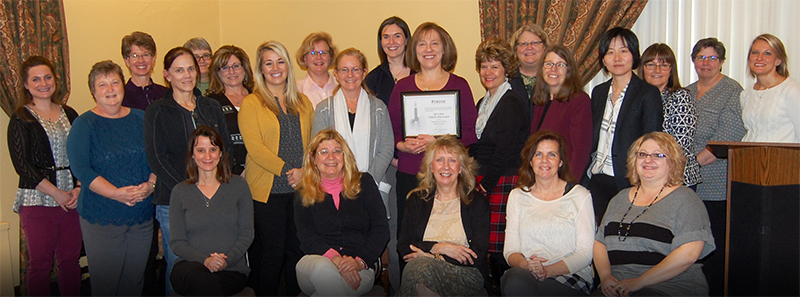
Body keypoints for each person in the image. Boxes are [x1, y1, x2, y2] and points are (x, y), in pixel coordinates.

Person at [144, 46, 232, 296]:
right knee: (180, 266)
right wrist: (189, 192)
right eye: (179, 70)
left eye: (191, 69)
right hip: (174, 202)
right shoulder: (157, 111)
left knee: (211, 265)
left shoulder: (211, 107)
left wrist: (215, 189)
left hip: (214, 198)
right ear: (167, 75)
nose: (186, 75)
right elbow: (156, 159)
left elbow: (225, 149)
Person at [67, 60, 156, 296]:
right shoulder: (84, 124)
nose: (110, 89)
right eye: (102, 84)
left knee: (134, 282)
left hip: (141, 216)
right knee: (107, 286)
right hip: (102, 217)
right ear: (93, 91)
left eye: (115, 82)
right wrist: (116, 193)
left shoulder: (141, 118)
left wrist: (151, 185)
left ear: (123, 86)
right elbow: (81, 169)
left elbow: (156, 157)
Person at [593, 132, 715, 296]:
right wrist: (606, 277)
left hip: (669, 287)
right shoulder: (619, 199)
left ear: (672, 162)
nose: (648, 160)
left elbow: (690, 253)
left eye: (658, 155)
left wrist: (639, 282)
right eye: (642, 154)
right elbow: (599, 243)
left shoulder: (685, 199)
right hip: (619, 287)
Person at [388, 22, 479, 237]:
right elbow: (390, 129)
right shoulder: (402, 86)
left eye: (434, 43)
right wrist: (402, 145)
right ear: (414, 50)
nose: (428, 49)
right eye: (422, 44)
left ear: (445, 49)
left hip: (448, 176)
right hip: (411, 172)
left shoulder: (460, 85)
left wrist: (437, 142)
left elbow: (470, 132)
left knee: (445, 234)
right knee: (409, 234)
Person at [238, 41, 314, 296]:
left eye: (280, 61)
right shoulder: (252, 103)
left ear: (288, 66)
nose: (275, 68)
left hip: (300, 189)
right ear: (260, 69)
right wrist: (286, 170)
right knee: (272, 254)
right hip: (267, 192)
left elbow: (313, 143)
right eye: (268, 63)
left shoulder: (303, 102)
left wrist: (304, 171)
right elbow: (255, 148)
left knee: (296, 251)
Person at [7, 56, 82, 296]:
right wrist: (56, 193)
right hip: (38, 200)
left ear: (55, 80)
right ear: (26, 85)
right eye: (36, 79)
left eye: (47, 77)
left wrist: (78, 188)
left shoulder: (70, 113)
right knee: (40, 264)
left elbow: (82, 154)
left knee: (70, 262)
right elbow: (22, 165)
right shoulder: (21, 118)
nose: (43, 83)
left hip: (72, 199)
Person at [294, 129, 390, 296]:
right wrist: (336, 260)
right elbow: (306, 237)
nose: (331, 157)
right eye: (324, 152)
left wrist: (360, 262)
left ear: (344, 157)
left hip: (360, 267)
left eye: (337, 151)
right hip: (315, 264)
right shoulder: (303, 191)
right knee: (324, 271)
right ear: (313, 159)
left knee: (329, 290)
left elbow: (381, 230)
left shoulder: (364, 183)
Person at [685, 37, 745, 296]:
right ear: (693, 61)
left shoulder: (733, 91)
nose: (706, 63)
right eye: (701, 57)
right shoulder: (685, 91)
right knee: (688, 244)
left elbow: (727, 138)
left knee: (713, 246)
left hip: (715, 183)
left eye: (712, 58)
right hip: (685, 184)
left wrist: (688, 165)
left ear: (721, 61)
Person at [469, 38, 529, 294]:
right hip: (483, 179)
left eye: (495, 66)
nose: (488, 72)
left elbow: (503, 151)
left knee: (501, 247)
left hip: (501, 180)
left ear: (506, 69)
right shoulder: (484, 103)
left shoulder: (511, 102)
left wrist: (485, 184)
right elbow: (475, 144)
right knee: (485, 245)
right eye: (484, 67)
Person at [501, 131, 594, 296]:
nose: (544, 160)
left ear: (560, 162)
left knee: (545, 290)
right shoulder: (517, 196)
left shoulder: (580, 196)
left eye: (552, 154)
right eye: (538, 154)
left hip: (570, 274)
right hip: (528, 272)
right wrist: (525, 264)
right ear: (531, 161)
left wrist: (548, 271)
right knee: (513, 280)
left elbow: (585, 254)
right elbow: (510, 250)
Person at [584, 27, 663, 222]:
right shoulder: (599, 92)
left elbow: (652, 140)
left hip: (628, 179)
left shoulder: (647, 93)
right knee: (600, 234)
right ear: (603, 58)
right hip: (597, 176)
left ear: (634, 55)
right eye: (610, 52)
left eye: (623, 51)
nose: (617, 57)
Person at [396, 136, 489, 296]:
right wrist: (438, 247)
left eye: (452, 160)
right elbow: (404, 246)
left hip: (465, 274)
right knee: (419, 271)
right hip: (422, 270)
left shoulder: (477, 201)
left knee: (418, 269)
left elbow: (477, 254)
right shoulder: (416, 199)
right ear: (431, 167)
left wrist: (431, 257)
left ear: (460, 167)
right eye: (439, 160)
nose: (446, 167)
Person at [169, 126, 254, 296]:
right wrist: (205, 260)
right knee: (202, 280)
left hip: (231, 269)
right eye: (201, 150)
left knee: (208, 284)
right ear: (192, 154)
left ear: (221, 153)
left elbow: (247, 234)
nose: (207, 156)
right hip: (189, 268)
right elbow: (177, 242)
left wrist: (225, 260)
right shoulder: (180, 191)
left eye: (213, 150)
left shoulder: (239, 186)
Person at [312, 48, 394, 208]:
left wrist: (366, 183)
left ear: (364, 73)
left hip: (372, 186)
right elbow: (319, 150)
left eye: (355, 69)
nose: (350, 75)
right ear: (336, 74)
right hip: (333, 188)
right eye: (344, 70)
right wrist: (341, 183)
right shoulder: (324, 109)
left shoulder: (378, 108)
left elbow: (386, 148)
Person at [639, 43, 700, 189]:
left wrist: (652, 161)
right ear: (642, 68)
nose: (657, 70)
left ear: (671, 70)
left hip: (676, 177)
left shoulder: (680, 97)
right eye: (651, 65)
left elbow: (681, 144)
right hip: (645, 175)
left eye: (664, 65)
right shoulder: (637, 98)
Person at [531, 45, 592, 182]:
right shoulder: (540, 100)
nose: (553, 69)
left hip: (564, 180)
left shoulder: (579, 100)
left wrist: (568, 185)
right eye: (549, 64)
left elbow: (581, 151)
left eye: (560, 65)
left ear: (569, 70)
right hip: (542, 179)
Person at [740, 33, 800, 143]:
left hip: (782, 159)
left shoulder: (791, 91)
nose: (759, 58)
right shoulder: (746, 94)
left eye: (767, 53)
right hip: (749, 158)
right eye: (755, 53)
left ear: (778, 60)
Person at [206, 45, 254, 175]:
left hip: (262, 172)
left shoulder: (259, 97)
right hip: (228, 174)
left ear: (245, 68)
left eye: (236, 66)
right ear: (217, 73)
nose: (231, 72)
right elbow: (214, 143)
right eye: (225, 68)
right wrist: (237, 170)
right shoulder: (211, 103)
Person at [365, 16, 413, 106]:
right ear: (381, 42)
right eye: (386, 37)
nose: (391, 42)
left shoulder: (420, 73)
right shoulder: (372, 79)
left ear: (406, 40)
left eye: (397, 36)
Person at [508, 24, 551, 124]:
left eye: (535, 43)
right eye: (523, 44)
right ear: (515, 50)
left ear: (544, 47)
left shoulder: (554, 80)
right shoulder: (505, 82)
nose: (529, 47)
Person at [121, 31, 168, 111]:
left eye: (145, 54)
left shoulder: (166, 94)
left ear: (153, 59)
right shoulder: (121, 96)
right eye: (135, 56)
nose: (141, 60)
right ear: (127, 61)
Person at [296, 32, 339, 108]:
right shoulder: (297, 90)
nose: (319, 57)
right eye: (313, 53)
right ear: (305, 58)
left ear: (330, 57)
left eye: (323, 53)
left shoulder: (341, 86)